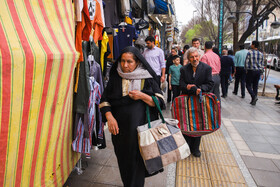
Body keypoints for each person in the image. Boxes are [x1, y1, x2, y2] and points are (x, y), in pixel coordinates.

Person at [100, 46, 165, 187]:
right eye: (122, 61)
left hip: (141, 132)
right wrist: (109, 117)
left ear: (137, 62)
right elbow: (104, 100)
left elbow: (160, 101)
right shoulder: (116, 77)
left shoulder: (147, 77)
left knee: (137, 165)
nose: (125, 65)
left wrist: (142, 96)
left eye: (129, 61)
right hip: (120, 132)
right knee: (124, 163)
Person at [180, 47, 214, 157]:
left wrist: (201, 88)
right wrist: (187, 87)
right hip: (187, 100)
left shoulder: (207, 68)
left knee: (198, 124)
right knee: (186, 123)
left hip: (200, 101)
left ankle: (195, 148)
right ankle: (187, 146)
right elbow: (181, 84)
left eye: (196, 56)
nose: (194, 59)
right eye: (192, 57)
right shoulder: (184, 69)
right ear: (188, 59)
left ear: (199, 57)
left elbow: (210, 84)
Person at [244, 41, 264, 105]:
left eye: (252, 44)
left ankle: (253, 96)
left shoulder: (249, 53)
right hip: (258, 71)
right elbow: (262, 64)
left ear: (254, 45)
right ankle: (253, 100)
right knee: (255, 85)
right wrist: (261, 73)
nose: (251, 45)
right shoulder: (261, 54)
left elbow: (246, 63)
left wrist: (246, 70)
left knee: (248, 85)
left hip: (251, 71)